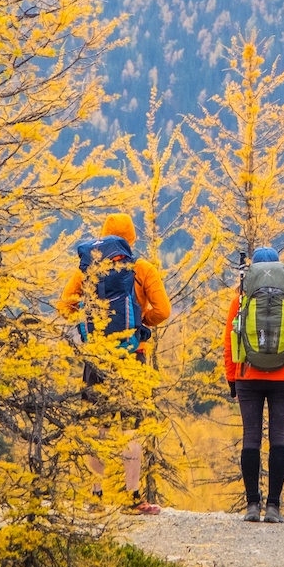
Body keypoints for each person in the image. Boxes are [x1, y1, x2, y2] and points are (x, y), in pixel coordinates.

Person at [58, 212, 171, 511]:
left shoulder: (87, 269)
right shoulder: (141, 268)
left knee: (98, 428)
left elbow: (64, 305)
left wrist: (88, 320)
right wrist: (140, 322)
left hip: (96, 357)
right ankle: (134, 497)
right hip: (132, 356)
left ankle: (96, 498)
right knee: (130, 429)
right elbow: (163, 310)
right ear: (131, 239)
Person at [222, 246, 284, 524]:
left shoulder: (242, 298)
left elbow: (229, 343)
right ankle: (273, 506)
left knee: (251, 437)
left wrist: (232, 381)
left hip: (248, 375)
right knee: (278, 440)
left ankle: (251, 505)